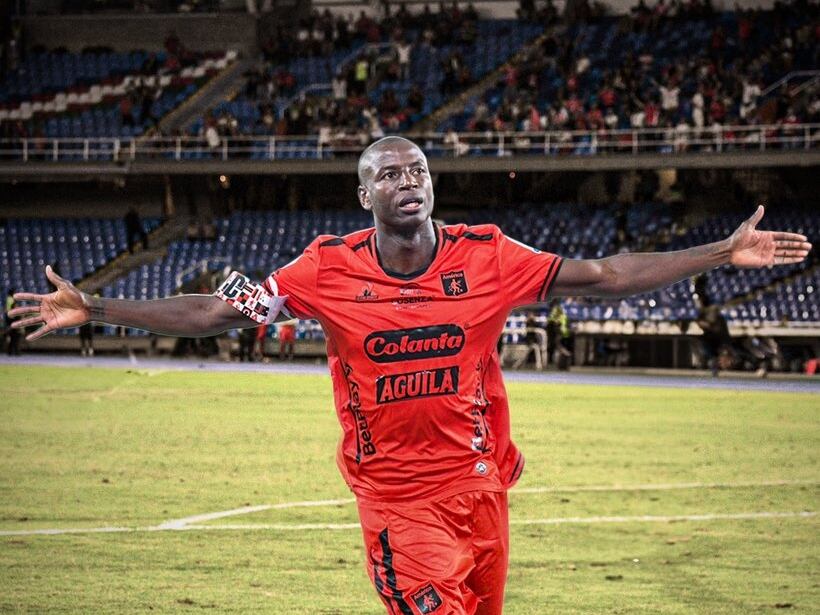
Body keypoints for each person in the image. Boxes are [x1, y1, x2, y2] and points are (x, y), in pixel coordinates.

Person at [6, 137, 812, 615]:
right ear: (365, 194)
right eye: (389, 172)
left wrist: (720, 250)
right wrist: (98, 306)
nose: (408, 179)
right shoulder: (324, 268)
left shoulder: (489, 255)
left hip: (483, 491)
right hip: (398, 504)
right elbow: (219, 312)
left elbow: (605, 274)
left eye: (418, 168)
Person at [5, 288, 20, 356]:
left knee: (11, 338)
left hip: (9, 319)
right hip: (11, 320)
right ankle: (13, 352)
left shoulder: (8, 299)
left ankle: (10, 352)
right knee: (13, 338)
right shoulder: (11, 299)